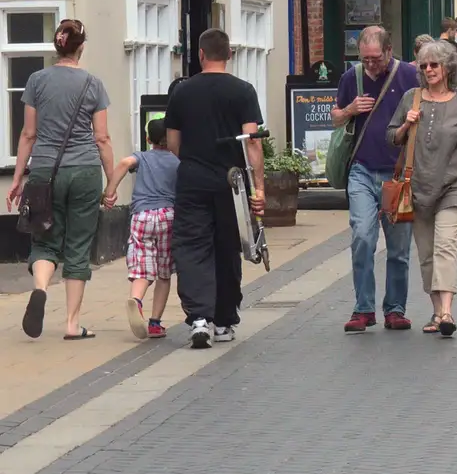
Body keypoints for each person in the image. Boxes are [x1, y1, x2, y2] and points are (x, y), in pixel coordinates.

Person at [6, 18, 113, 341]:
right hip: (84, 172)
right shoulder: (93, 84)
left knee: (44, 241)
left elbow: (28, 133)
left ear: (57, 46)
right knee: (78, 246)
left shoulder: (37, 81)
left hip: (44, 171)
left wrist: (17, 177)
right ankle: (71, 324)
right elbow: (103, 138)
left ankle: (40, 288)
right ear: (81, 47)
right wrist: (111, 183)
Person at [165, 29, 264, 350]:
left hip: (192, 178)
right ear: (230, 54)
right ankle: (223, 320)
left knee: (192, 247)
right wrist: (258, 189)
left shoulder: (182, 92)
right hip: (231, 182)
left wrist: (194, 160)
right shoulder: (243, 91)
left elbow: (173, 143)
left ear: (201, 55)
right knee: (227, 247)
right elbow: (252, 145)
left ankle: (198, 318)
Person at [387, 40, 457, 337]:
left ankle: (447, 312)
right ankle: (435, 310)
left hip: (453, 186)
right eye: (423, 66)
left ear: (448, 68)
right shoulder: (411, 98)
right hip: (417, 187)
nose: (428, 70)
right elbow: (391, 137)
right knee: (427, 254)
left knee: (446, 245)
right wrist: (406, 125)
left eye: (434, 65)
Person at [332, 25, 419, 335]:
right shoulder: (350, 78)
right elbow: (336, 116)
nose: (370, 65)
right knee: (363, 236)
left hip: (397, 173)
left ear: (389, 51)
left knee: (398, 247)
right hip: (362, 169)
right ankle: (363, 308)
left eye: (375, 59)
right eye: (364, 59)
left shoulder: (408, 75)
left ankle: (395, 309)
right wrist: (350, 110)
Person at [103, 117, 179, 340]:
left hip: (142, 216)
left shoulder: (142, 157)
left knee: (142, 268)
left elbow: (124, 163)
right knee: (164, 273)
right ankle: (155, 323)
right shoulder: (177, 161)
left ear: (148, 139)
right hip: (168, 216)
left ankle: (135, 300)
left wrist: (110, 192)